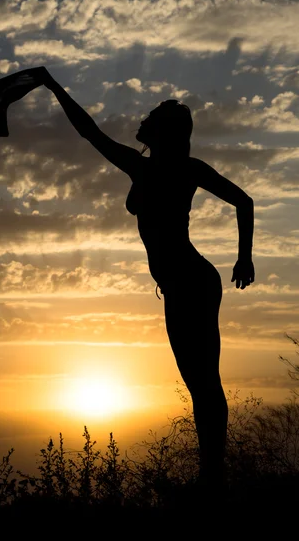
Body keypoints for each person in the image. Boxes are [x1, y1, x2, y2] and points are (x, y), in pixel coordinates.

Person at [40, 67, 255, 489]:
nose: (141, 121)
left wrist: (244, 258)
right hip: (184, 282)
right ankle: (212, 471)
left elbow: (243, 201)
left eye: (150, 117)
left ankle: (214, 475)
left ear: (162, 131)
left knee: (203, 382)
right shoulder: (149, 167)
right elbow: (88, 130)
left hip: (190, 281)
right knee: (200, 381)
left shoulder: (173, 169)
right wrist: (52, 86)